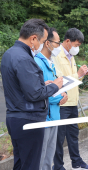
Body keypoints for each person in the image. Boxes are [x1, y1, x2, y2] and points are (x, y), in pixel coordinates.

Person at [1, 19, 63, 170]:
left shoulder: (9, 54)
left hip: (16, 117)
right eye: (42, 41)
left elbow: (23, 86)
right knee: (31, 165)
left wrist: (43, 84)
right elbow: (35, 94)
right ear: (33, 38)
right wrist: (55, 86)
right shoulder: (24, 58)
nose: (42, 45)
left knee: (21, 163)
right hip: (28, 119)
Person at [52, 28, 88, 170]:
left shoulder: (71, 55)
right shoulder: (56, 56)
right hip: (62, 103)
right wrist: (77, 74)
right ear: (67, 41)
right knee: (59, 137)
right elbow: (60, 80)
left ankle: (76, 161)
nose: (77, 48)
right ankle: (58, 166)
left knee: (73, 134)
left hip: (73, 102)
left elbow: (73, 77)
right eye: (76, 45)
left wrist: (81, 74)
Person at [34, 27, 68, 170]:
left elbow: (55, 85)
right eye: (57, 43)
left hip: (54, 116)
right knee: (41, 159)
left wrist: (64, 94)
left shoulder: (50, 62)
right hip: (44, 118)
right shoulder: (37, 62)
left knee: (49, 157)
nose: (59, 47)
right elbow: (41, 92)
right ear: (47, 43)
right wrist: (60, 95)